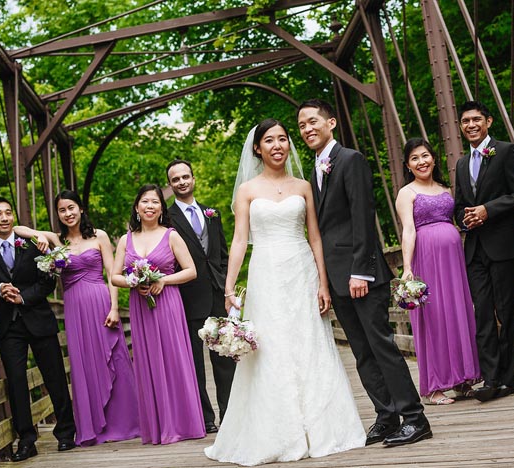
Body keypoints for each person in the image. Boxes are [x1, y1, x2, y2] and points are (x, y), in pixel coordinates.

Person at [204, 118, 366, 466]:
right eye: (269, 140)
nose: (277, 145)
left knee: (310, 344)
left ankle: (322, 430)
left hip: (302, 270)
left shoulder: (304, 186)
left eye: (282, 139)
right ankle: (279, 432)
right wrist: (229, 287)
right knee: (272, 348)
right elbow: (240, 241)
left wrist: (323, 282)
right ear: (257, 149)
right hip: (266, 274)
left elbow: (316, 238)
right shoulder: (247, 190)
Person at [297, 99, 431, 447]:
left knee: (381, 346)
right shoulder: (314, 169)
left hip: (361, 276)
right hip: (338, 278)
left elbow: (361, 216)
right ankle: (386, 417)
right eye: (302, 125)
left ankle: (415, 418)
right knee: (362, 351)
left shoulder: (350, 159)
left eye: (313, 121)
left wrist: (361, 271)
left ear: (331, 123)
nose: (308, 129)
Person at [13, 190, 140, 446]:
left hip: (100, 300)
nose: (68, 213)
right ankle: (94, 425)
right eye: (62, 210)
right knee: (84, 362)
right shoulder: (55, 239)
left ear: (80, 209)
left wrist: (114, 307)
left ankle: (127, 422)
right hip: (74, 307)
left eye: (71, 207)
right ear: (58, 214)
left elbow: (111, 273)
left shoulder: (100, 236)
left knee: (113, 356)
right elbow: (17, 228)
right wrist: (39, 236)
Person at [0, 197, 76, 461]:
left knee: (54, 378)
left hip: (38, 318)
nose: (4, 217)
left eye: (8, 213)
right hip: (9, 325)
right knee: (16, 383)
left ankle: (66, 434)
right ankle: (27, 441)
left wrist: (24, 297)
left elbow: (48, 282)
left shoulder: (32, 243)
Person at [453, 100, 514, 402]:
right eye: (465, 121)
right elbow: (460, 204)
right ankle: (489, 379)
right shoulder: (462, 164)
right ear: (461, 127)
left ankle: (508, 379)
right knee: (483, 315)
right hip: (474, 249)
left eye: (476, 119)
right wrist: (465, 216)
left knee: (507, 312)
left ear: (488, 122)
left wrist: (488, 210)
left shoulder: (505, 151)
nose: (471, 125)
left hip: (503, 246)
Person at [111, 184, 205, 444]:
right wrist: (132, 281)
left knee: (174, 359)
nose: (150, 206)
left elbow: (191, 270)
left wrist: (163, 279)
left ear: (161, 209)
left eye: (155, 202)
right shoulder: (125, 239)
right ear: (137, 207)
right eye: (145, 201)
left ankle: (183, 423)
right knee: (148, 361)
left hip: (168, 304)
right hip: (141, 307)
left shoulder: (171, 235)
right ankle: (157, 425)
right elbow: (114, 276)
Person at [395, 139, 481, 405]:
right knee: (434, 317)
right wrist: (407, 267)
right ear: (408, 165)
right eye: (415, 158)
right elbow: (408, 230)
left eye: (425, 156)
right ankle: (434, 387)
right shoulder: (406, 193)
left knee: (458, 311)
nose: (421, 162)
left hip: (453, 261)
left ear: (433, 158)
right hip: (427, 259)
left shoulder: (445, 188)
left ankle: (462, 379)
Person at [166, 160, 236, 434]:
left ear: (193, 179)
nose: (182, 182)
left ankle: (228, 413)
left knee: (224, 358)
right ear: (170, 185)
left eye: (186, 177)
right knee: (195, 364)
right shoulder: (167, 218)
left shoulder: (212, 213)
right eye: (176, 179)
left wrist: (228, 288)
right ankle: (205, 418)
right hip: (187, 298)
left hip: (217, 295)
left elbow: (222, 255)